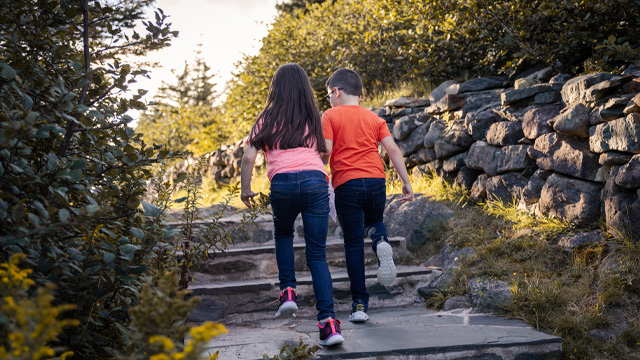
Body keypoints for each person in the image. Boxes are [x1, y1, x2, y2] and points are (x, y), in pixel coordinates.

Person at [240, 63, 344, 347]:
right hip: (314, 182)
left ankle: (288, 292)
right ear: (304, 88)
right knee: (317, 255)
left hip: (282, 184)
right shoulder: (314, 116)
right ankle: (329, 324)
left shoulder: (267, 117)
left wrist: (245, 188)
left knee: (284, 233)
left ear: (277, 87)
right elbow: (326, 150)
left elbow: (249, 157)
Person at [321, 68, 414, 323]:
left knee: (352, 244)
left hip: (347, 184)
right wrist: (406, 182)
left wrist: (315, 162)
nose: (329, 99)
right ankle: (381, 241)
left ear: (336, 92)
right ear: (360, 96)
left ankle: (360, 304)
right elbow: (392, 148)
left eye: (329, 94)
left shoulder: (329, 115)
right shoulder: (374, 118)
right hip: (376, 180)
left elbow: (326, 150)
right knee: (374, 222)